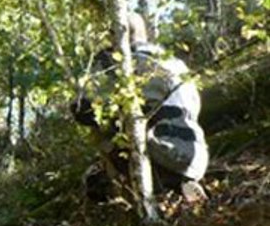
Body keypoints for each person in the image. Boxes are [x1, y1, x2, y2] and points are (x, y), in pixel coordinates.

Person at [72, 12, 209, 204]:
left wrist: (95, 76)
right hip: (195, 155)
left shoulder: (124, 66)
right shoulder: (175, 63)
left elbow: (84, 110)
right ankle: (180, 184)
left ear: (116, 37)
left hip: (160, 153)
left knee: (103, 150)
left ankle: (131, 198)